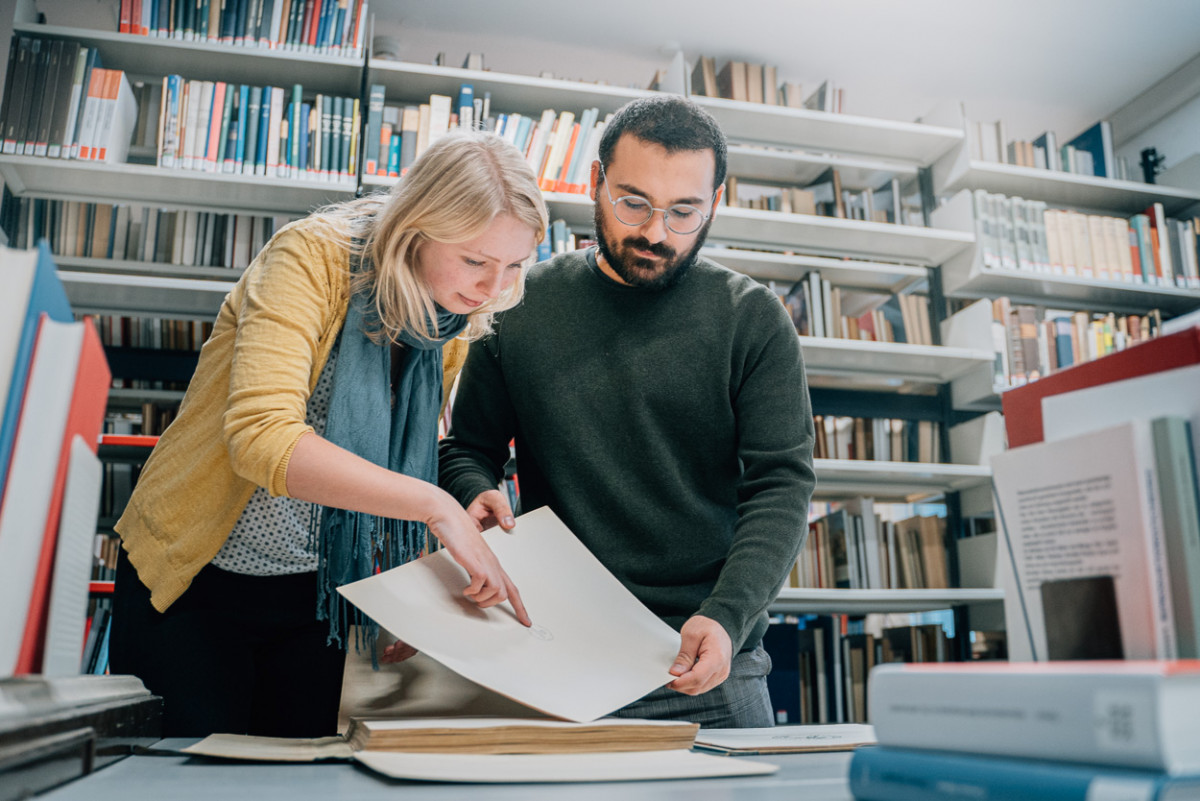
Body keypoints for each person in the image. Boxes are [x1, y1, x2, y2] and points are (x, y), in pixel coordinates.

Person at [109, 131, 548, 738]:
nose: (492, 287)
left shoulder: (451, 314)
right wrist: (433, 506)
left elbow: (401, 461)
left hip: (318, 598)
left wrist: (418, 560)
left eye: (514, 265)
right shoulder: (309, 256)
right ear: (416, 227)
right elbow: (260, 437)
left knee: (301, 782)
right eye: (476, 259)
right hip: (196, 582)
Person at [438, 96, 816, 728]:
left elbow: (781, 484)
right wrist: (474, 489)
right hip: (558, 652)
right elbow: (466, 447)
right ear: (596, 183)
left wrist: (727, 617)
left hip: (708, 660)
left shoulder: (753, 320)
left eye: (684, 211)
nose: (655, 232)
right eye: (633, 202)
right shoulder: (520, 303)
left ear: (714, 203)